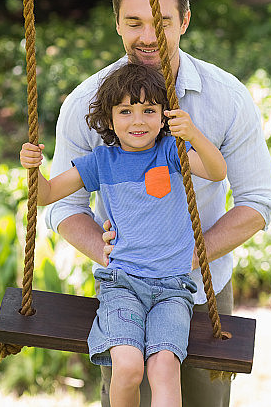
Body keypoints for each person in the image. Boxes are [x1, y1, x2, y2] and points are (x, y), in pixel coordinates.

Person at [45, 0, 271, 407]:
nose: (147, 36)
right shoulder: (85, 104)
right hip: (125, 289)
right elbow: (63, 205)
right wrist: (112, 254)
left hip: (202, 288)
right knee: (129, 384)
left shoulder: (226, 97)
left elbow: (258, 202)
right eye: (134, 22)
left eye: (162, 22)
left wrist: (189, 255)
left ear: (184, 21)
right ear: (117, 24)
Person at [21, 62, 227, 407]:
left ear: (164, 116)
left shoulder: (171, 152)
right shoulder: (101, 161)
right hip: (123, 283)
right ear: (110, 117)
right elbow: (46, 194)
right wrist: (32, 168)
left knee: (164, 368)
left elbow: (217, 172)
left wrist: (192, 134)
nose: (138, 120)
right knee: (128, 366)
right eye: (126, 111)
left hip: (172, 287)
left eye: (149, 110)